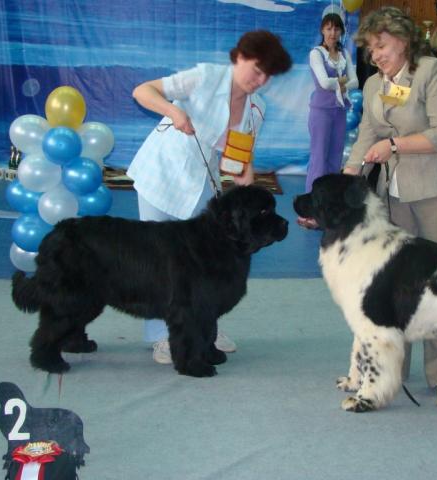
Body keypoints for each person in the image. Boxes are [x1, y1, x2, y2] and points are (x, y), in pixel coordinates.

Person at [128, 30, 292, 364]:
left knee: (202, 265)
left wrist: (245, 175)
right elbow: (143, 91)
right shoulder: (203, 78)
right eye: (257, 70)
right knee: (159, 263)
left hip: (200, 185)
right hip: (161, 176)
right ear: (240, 57)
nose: (260, 81)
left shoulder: (256, 108)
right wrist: (174, 113)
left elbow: (241, 159)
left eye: (267, 76)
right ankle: (160, 336)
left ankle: (203, 327)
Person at [342, 7, 437, 409]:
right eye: (370, 49)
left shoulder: (434, 71)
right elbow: (368, 132)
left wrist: (394, 146)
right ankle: (391, 368)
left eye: (381, 45)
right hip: (393, 196)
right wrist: (346, 178)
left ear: (403, 39)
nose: (376, 54)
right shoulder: (375, 83)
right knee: (398, 287)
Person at [305, 12, 359, 192]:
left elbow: (356, 81)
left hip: (340, 111)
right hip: (321, 112)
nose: (332, 33)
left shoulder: (344, 53)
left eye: (336, 29)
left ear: (341, 31)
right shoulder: (316, 53)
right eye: (329, 28)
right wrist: (343, 83)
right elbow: (324, 82)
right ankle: (311, 205)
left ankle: (329, 202)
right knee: (319, 158)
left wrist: (338, 83)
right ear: (322, 30)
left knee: (335, 158)